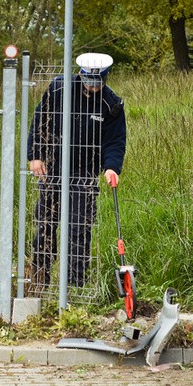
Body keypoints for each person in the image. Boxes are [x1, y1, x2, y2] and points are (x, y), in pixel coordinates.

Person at [26, 52, 126, 289]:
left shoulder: (111, 105)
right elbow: (41, 119)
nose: (93, 86)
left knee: (79, 227)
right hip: (53, 168)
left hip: (84, 172)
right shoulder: (59, 89)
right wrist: (35, 155)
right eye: (89, 81)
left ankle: (74, 284)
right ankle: (41, 279)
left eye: (98, 82)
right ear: (80, 75)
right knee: (45, 222)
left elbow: (115, 141)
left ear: (105, 79)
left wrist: (111, 167)